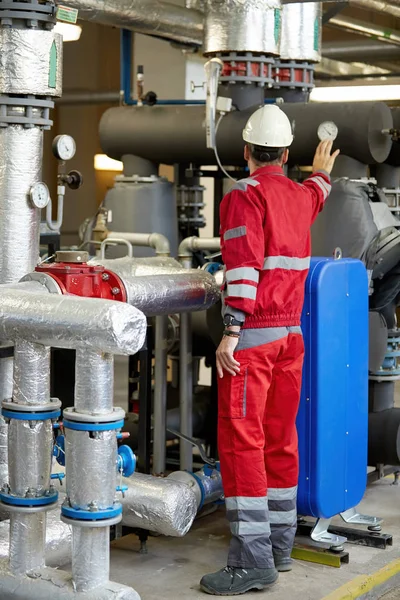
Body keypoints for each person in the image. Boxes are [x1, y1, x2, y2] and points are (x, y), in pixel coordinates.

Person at [200, 104, 340, 596]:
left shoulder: (245, 195)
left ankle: (250, 561)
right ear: (284, 153)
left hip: (254, 338)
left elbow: (242, 267)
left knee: (243, 444)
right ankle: (279, 549)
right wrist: (322, 174)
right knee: (281, 439)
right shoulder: (300, 196)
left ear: (245, 152)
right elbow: (315, 196)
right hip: (290, 338)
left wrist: (231, 330)